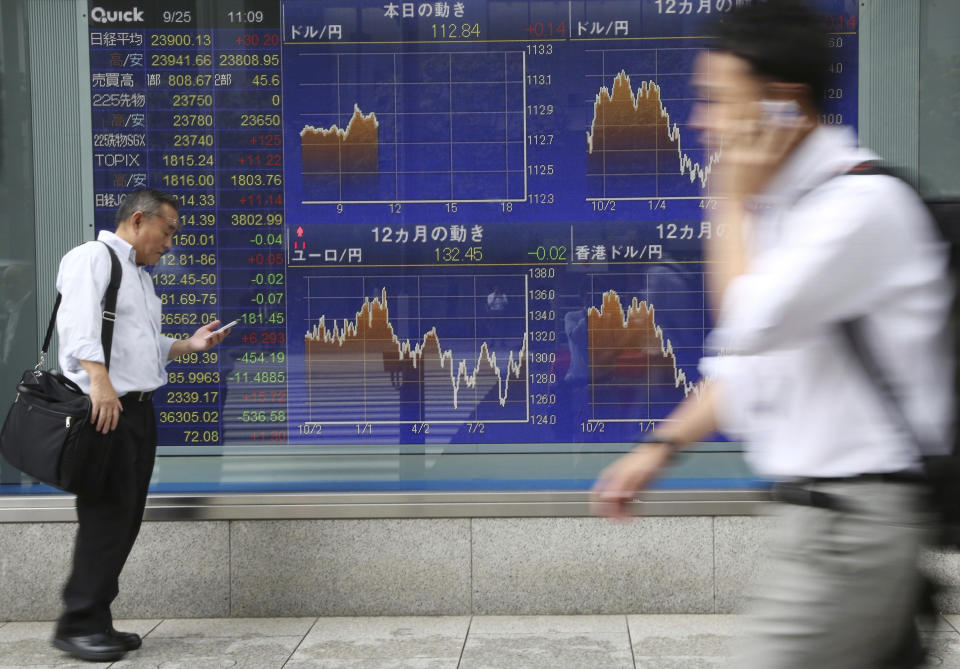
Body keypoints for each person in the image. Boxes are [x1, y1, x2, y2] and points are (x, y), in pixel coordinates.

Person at [591, 2, 953, 668]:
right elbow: (746, 367)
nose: (700, 121)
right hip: (821, 522)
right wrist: (660, 446)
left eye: (717, 101)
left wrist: (726, 197)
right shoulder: (792, 208)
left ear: (782, 106)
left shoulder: (858, 209)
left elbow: (749, 321)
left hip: (852, 529)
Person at [51, 189, 233, 662]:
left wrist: (187, 346)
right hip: (106, 408)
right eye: (167, 231)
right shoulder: (92, 258)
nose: (170, 242)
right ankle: (77, 625)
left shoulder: (138, 276)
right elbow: (77, 327)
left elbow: (138, 345)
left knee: (124, 518)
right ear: (138, 220)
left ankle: (97, 621)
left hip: (134, 409)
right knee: (107, 517)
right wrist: (99, 382)